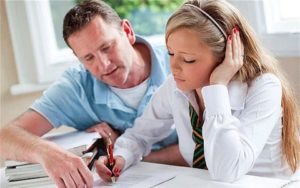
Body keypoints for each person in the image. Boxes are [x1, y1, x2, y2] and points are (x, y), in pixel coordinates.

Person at [95, 0, 300, 183]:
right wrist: (120, 156)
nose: (174, 67)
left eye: (188, 59)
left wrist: (217, 87)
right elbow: (140, 135)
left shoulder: (264, 87)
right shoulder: (176, 86)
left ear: (225, 56)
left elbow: (227, 171)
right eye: (171, 53)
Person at [0, 0, 185, 187]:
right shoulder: (76, 88)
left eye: (106, 47)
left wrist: (123, 154)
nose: (104, 64)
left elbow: (203, 150)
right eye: (89, 58)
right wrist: (49, 153)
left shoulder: (180, 66)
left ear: (127, 32)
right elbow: (5, 138)